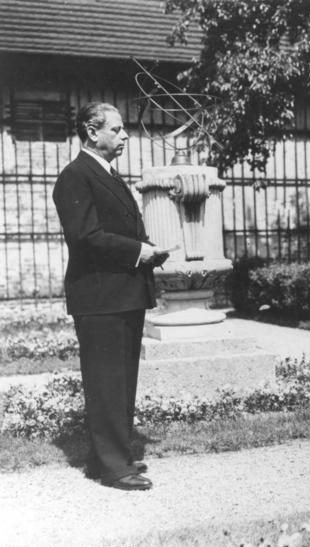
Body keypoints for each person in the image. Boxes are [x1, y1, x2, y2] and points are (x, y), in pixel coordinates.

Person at [53, 102, 169, 490]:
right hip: (99, 296)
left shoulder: (108, 175)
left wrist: (151, 248)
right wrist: (139, 251)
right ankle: (115, 467)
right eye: (117, 130)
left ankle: (108, 458)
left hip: (122, 293)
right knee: (106, 382)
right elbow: (86, 237)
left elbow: (121, 229)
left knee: (121, 381)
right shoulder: (75, 176)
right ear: (91, 131)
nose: (125, 136)